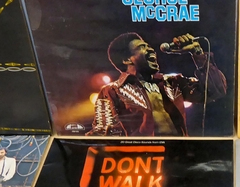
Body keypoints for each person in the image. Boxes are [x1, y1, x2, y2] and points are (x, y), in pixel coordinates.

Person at [87, 32, 227, 136]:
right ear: (127, 60)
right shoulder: (113, 91)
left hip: (180, 157)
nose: (151, 49)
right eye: (142, 47)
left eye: (149, 46)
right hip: (143, 161)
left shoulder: (171, 83)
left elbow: (216, 90)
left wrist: (198, 54)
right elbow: (102, 132)